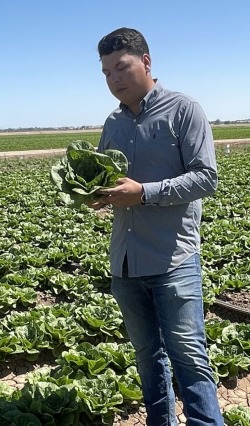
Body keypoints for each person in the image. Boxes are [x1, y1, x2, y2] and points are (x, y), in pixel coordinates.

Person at [90, 27, 224, 426]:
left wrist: (144, 192)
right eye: (106, 73)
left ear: (146, 62)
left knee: (189, 357)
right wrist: (93, 194)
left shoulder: (184, 110)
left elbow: (206, 178)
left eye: (121, 68)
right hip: (126, 263)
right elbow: (106, 180)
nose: (114, 79)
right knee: (147, 359)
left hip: (172, 260)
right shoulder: (112, 123)